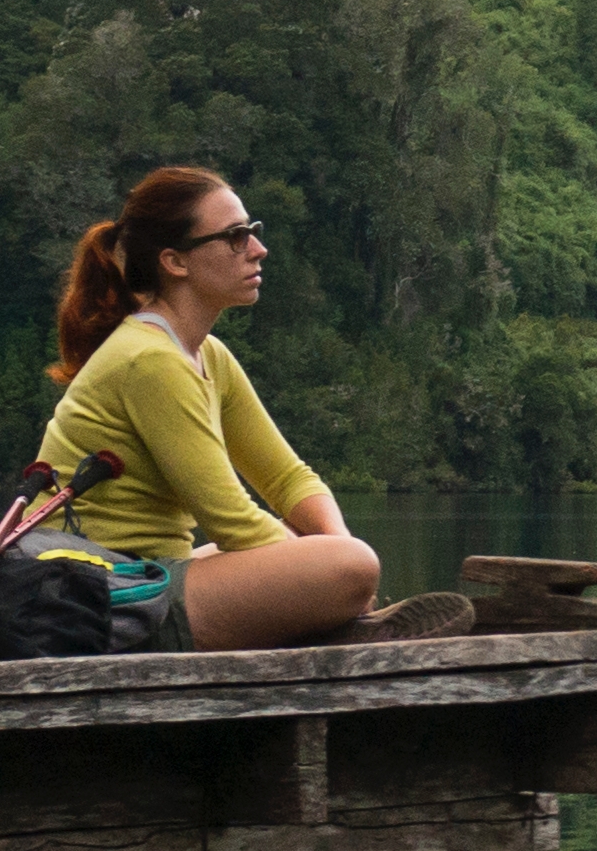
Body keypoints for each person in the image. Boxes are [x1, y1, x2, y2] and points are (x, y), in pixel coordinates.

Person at [31, 164, 384, 648]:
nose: (258, 249)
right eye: (235, 237)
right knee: (349, 566)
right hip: (106, 595)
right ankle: (348, 615)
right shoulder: (150, 361)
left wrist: (330, 547)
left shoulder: (206, 355)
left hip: (151, 575)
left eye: (253, 233)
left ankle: (345, 609)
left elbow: (287, 478)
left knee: (331, 555)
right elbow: (232, 523)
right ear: (176, 262)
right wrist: (340, 572)